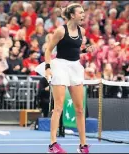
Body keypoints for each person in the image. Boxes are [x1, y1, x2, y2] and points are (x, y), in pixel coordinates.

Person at [44, 3, 94, 153]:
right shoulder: (60, 31)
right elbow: (48, 50)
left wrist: (85, 50)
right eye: (80, 13)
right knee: (58, 106)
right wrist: (48, 69)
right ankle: (53, 144)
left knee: (79, 109)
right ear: (72, 15)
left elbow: (74, 49)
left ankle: (83, 145)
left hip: (75, 67)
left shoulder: (82, 31)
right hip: (60, 66)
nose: (83, 15)